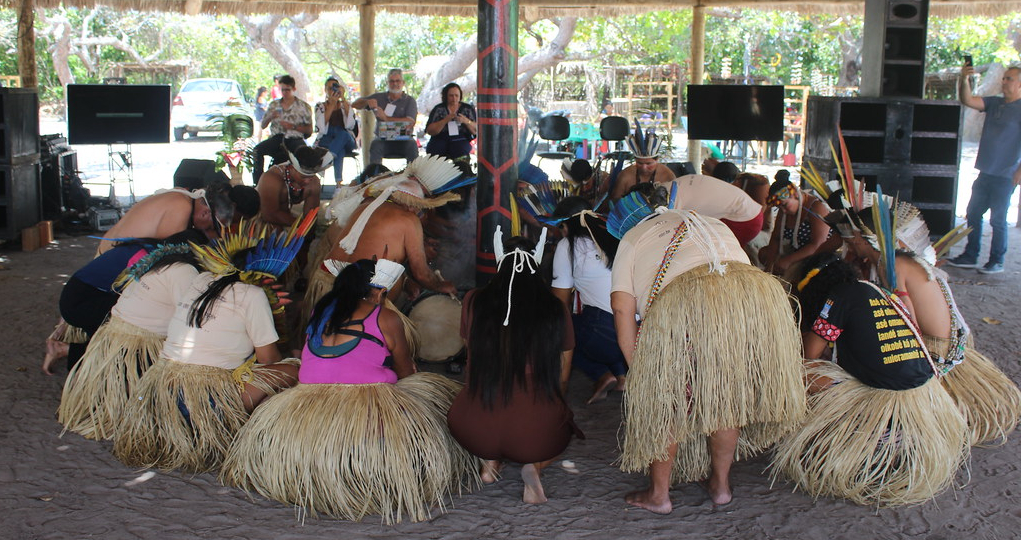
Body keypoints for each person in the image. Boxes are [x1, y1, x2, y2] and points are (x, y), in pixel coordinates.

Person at [220, 259, 479, 523]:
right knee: (435, 396)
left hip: (305, 405)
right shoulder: (385, 316)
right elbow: (406, 372)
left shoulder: (320, 312)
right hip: (363, 406)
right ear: (378, 291)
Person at [609, 183, 805, 513]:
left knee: (666, 403)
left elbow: (622, 310)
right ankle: (721, 486)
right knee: (724, 399)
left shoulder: (631, 238)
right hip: (749, 306)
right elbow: (741, 268)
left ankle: (660, 495)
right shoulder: (710, 222)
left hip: (685, 307)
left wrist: (643, 374)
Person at [111, 219, 315, 473]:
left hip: (161, 389)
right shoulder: (252, 295)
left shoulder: (203, 279)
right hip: (206, 399)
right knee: (292, 371)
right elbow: (268, 360)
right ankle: (250, 434)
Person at [772, 253, 969, 507]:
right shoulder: (878, 291)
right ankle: (888, 434)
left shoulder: (840, 296)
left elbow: (808, 354)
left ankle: (867, 434)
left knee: (800, 372)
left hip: (886, 394)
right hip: (921, 391)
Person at [838, 200, 1021, 446]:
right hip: (946, 342)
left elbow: (907, 323)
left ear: (862, 237)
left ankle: (918, 421)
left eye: (851, 237)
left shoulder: (892, 265)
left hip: (936, 349)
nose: (849, 242)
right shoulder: (896, 259)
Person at [447, 233, 582, 504]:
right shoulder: (554, 306)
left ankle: (489, 463)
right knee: (564, 426)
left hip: (472, 428)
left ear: (500, 262)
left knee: (488, 409)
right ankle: (534, 467)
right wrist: (558, 401)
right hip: (534, 433)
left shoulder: (473, 300)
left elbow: (469, 346)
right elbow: (564, 367)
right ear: (536, 263)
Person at [57, 230, 206, 440]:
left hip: (115, 332)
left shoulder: (155, 263)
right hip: (137, 340)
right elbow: (188, 318)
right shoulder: (184, 272)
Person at [550, 197, 626, 404]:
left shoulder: (568, 245)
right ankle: (621, 376)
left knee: (558, 327)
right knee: (606, 314)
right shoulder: (617, 237)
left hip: (608, 336)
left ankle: (600, 373)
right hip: (637, 334)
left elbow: (559, 304)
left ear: (566, 225)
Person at [946, 64, 1021, 274]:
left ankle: (997, 261)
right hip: (985, 171)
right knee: (973, 213)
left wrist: (1018, 172)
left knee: (998, 220)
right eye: (1004, 78)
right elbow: (968, 100)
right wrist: (964, 79)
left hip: (1005, 175)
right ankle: (970, 255)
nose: (1004, 82)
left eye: (1009, 79)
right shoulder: (994, 103)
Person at [759, 174, 838, 274]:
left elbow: (818, 245)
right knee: (764, 254)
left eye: (784, 205)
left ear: (796, 195)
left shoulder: (816, 207)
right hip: (794, 251)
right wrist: (770, 267)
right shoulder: (783, 211)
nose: (782, 210)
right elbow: (776, 238)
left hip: (816, 255)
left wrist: (788, 260)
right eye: (779, 208)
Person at [253, 74, 313, 185]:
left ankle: (303, 182)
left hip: (295, 137)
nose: (285, 93)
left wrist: (293, 127)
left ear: (293, 89)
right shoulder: (274, 104)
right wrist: (271, 116)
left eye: (287, 90)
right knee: (257, 150)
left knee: (305, 154)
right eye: (282, 90)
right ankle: (258, 183)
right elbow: (263, 125)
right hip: (277, 138)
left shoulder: (303, 106)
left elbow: (309, 130)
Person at [352, 68, 419, 165]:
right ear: (387, 83)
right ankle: (375, 176)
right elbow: (355, 104)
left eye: (398, 81)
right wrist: (366, 102)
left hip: (403, 138)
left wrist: (386, 118)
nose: (395, 84)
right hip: (383, 139)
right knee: (375, 145)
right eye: (391, 81)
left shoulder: (410, 100)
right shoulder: (379, 97)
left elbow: (410, 122)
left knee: (412, 145)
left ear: (403, 82)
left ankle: (412, 176)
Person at [255, 145, 330, 229]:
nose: (308, 181)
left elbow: (311, 217)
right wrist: (303, 225)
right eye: (303, 177)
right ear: (291, 168)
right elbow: (269, 214)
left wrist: (308, 231)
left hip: (284, 219)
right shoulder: (272, 178)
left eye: (311, 177)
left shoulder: (314, 182)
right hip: (261, 221)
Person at [608, 122, 674, 201]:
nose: (644, 167)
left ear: (657, 160)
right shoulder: (625, 175)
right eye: (640, 163)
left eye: (648, 163)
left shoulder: (667, 175)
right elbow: (615, 199)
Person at [313, 77, 358, 185]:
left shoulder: (345, 105)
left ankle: (325, 161)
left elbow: (351, 125)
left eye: (335, 88)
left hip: (346, 139)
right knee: (339, 149)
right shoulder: (320, 106)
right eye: (330, 88)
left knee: (342, 134)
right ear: (325, 90)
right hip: (327, 140)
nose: (333, 91)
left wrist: (342, 98)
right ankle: (338, 184)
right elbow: (321, 127)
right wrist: (332, 104)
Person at [425, 82, 478, 164]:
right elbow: (430, 130)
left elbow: (476, 130)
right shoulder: (439, 108)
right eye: (451, 96)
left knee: (460, 151)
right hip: (440, 138)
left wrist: (466, 121)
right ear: (446, 96)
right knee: (435, 150)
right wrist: (445, 120)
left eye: (456, 95)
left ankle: (462, 173)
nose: (454, 98)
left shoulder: (467, 108)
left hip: (460, 138)